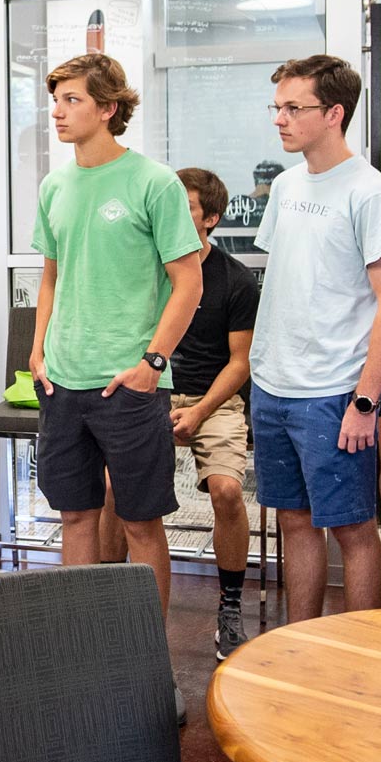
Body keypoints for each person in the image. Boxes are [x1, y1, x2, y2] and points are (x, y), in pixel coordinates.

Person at [28, 53, 205, 640]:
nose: (57, 110)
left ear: (108, 109)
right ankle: (84, 647)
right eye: (55, 99)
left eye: (72, 99)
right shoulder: (55, 185)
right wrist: (38, 351)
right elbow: (51, 275)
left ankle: (146, 655)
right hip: (63, 380)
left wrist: (152, 363)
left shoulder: (153, 182)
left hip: (127, 383)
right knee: (75, 515)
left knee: (139, 521)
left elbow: (189, 280)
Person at [251, 55, 381, 621]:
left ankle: (360, 651)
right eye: (278, 107)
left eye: (294, 108)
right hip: (274, 385)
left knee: (352, 528)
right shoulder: (288, 184)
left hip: (333, 390)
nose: (281, 119)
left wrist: (364, 401)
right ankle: (300, 645)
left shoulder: (368, 192)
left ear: (334, 113)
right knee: (293, 519)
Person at [166, 167, 259, 659]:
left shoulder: (235, 279)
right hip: (155, 394)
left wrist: (200, 411)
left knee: (226, 491)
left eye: (186, 209)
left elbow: (240, 363)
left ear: (211, 219)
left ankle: (228, 608)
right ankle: (114, 597)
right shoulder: (150, 269)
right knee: (116, 490)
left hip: (214, 399)